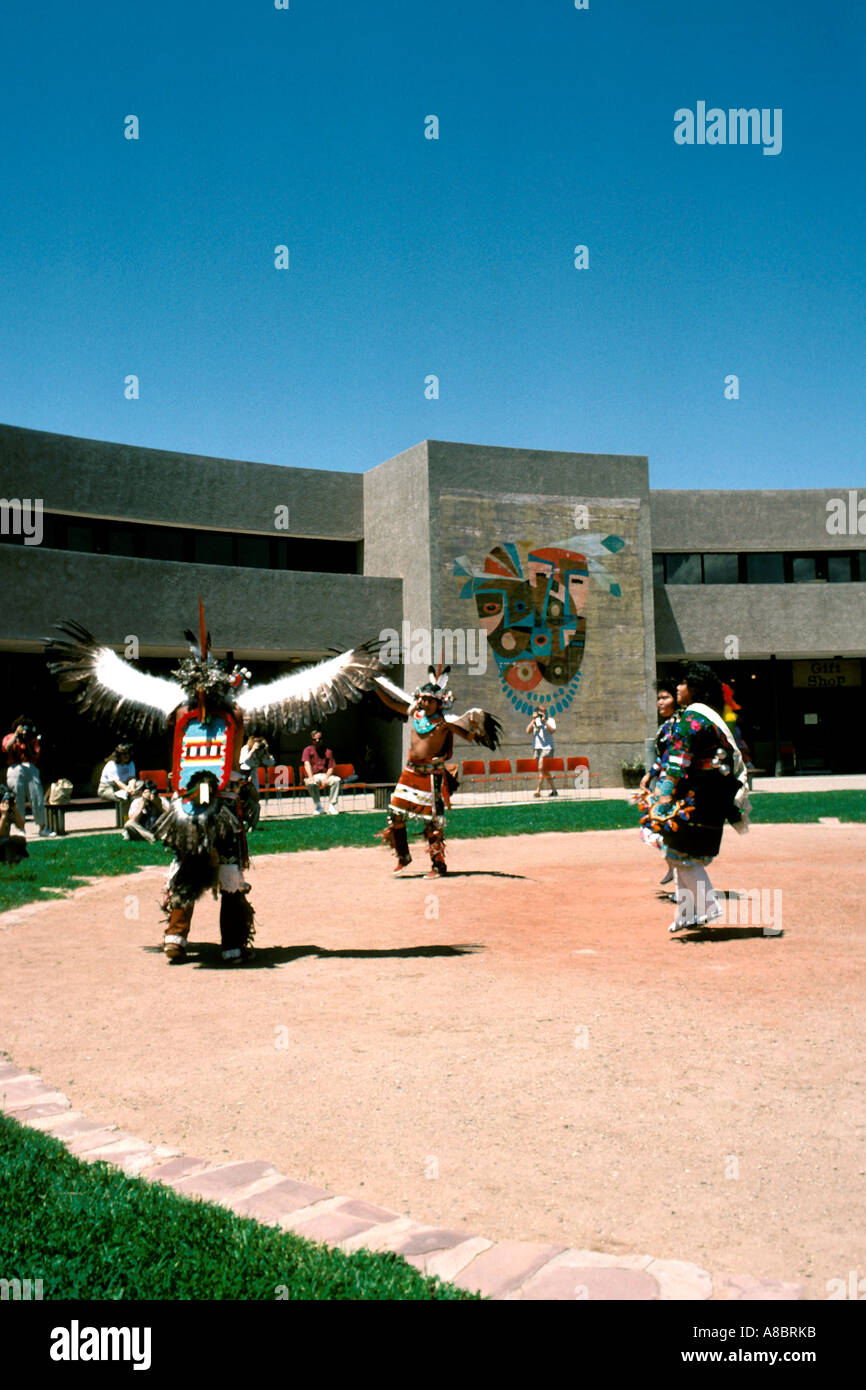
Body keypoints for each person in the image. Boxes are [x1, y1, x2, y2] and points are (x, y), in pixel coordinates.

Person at [47, 613, 383, 963]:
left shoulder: (175, 709)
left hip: (187, 808)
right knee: (230, 874)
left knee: (187, 865)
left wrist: (347, 664)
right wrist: (349, 664)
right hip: (222, 808)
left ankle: (176, 938)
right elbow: (316, 683)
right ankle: (231, 945)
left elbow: (110, 672)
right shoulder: (238, 712)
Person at [643, 662, 750, 934]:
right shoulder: (705, 716)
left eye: (682, 684)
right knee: (678, 853)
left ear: (693, 689)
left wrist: (662, 797)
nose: (677, 688)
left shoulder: (691, 720)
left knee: (683, 854)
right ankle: (686, 913)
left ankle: (708, 905)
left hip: (699, 799)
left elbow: (677, 764)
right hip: (711, 796)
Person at [374, 665, 502, 876]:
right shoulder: (415, 713)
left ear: (438, 703)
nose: (424, 703)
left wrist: (472, 723)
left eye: (429, 700)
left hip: (431, 775)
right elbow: (392, 703)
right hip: (409, 773)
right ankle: (403, 856)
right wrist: (375, 688)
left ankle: (438, 865)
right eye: (423, 699)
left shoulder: (445, 723)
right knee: (395, 813)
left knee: (433, 822)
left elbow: (469, 736)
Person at [638, 679, 679, 885]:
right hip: (663, 783)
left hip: (673, 785)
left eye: (665, 698)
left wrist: (656, 776)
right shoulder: (665, 727)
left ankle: (679, 875)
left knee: (669, 827)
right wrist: (650, 774)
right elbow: (663, 756)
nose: (660, 702)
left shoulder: (679, 725)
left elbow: (674, 757)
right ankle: (673, 867)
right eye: (658, 698)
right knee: (658, 827)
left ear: (676, 700)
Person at [2, 716, 54, 837]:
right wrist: (16, 735)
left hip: (30, 767)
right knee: (17, 798)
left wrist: (26, 740)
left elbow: (34, 755)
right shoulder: (9, 736)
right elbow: (6, 748)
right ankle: (21, 828)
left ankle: (42, 827)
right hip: (14, 768)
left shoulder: (33, 739)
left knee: (37, 797)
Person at [239, 733, 275, 829]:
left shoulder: (262, 751)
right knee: (241, 802)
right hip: (242, 777)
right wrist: (253, 750)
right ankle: (241, 821)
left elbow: (271, 763)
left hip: (253, 778)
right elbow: (242, 761)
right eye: (256, 742)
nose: (259, 745)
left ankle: (251, 826)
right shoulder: (246, 748)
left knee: (255, 803)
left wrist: (266, 751)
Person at [301, 731, 341, 815]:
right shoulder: (307, 750)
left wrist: (326, 778)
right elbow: (306, 764)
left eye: (319, 739)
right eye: (314, 739)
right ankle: (318, 806)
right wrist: (311, 777)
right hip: (313, 775)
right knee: (311, 783)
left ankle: (332, 806)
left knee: (337, 780)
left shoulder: (328, 752)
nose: (317, 741)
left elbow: (331, 767)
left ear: (322, 740)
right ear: (312, 740)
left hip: (324, 775)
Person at [526, 709, 558, 797]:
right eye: (540, 712)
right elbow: (528, 731)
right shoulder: (535, 721)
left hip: (547, 748)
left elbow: (552, 731)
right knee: (545, 771)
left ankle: (538, 791)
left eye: (543, 711)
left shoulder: (550, 720)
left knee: (541, 768)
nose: (542, 713)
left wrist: (544, 721)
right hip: (537, 748)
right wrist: (533, 720)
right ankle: (554, 790)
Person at [98, 743, 137, 810]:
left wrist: (132, 788)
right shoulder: (112, 765)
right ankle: (123, 819)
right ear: (119, 755)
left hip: (124, 787)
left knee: (139, 784)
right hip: (107, 788)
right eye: (124, 754)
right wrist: (128, 790)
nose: (127, 756)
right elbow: (117, 782)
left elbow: (132, 778)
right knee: (123, 798)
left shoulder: (130, 764)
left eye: (128, 753)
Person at [0, 785, 28, 862]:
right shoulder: (4, 813)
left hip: (4, 841)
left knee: (20, 840)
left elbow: (21, 826)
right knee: (8, 842)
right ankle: (11, 859)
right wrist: (3, 816)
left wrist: (15, 809)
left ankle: (15, 857)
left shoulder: (8, 811)